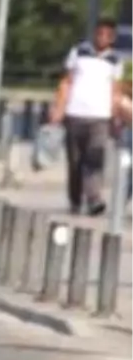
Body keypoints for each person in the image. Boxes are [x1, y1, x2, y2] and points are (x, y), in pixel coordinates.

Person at [50, 18, 123, 216]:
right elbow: (66, 82)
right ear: (94, 34)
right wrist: (58, 108)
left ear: (112, 38)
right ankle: (75, 199)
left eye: (107, 35)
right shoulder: (79, 53)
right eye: (100, 33)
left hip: (99, 117)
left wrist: (116, 117)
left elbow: (115, 91)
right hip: (75, 114)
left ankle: (94, 199)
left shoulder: (115, 61)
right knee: (75, 162)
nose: (102, 38)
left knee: (95, 158)